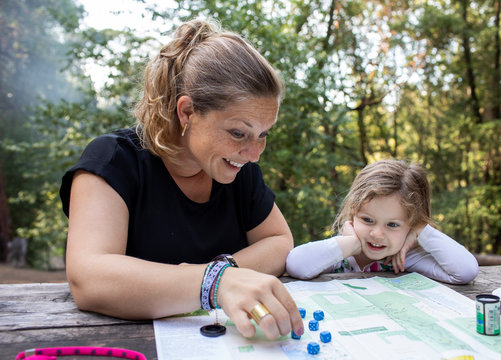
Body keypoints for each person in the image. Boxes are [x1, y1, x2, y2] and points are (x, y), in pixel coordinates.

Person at [59, 18, 303, 341]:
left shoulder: (238, 169)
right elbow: (88, 278)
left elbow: (280, 242)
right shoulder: (113, 161)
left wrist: (220, 273)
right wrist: (215, 283)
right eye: (238, 132)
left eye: (262, 135)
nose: (254, 153)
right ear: (186, 112)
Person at [286, 159, 479, 284]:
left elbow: (465, 271)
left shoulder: (404, 259)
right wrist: (351, 244)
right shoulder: (340, 254)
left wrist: (420, 231)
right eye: (367, 220)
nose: (377, 234)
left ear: (410, 225)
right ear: (353, 213)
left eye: (393, 224)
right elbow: (295, 264)